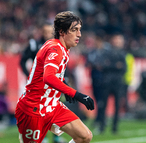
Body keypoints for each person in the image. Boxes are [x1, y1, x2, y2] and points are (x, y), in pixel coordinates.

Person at [15, 11, 94, 143]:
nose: (79, 34)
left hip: (52, 105)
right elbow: (49, 77)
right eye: (74, 30)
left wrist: (65, 86)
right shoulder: (55, 49)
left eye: (79, 30)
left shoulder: (61, 47)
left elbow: (53, 74)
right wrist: (76, 94)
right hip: (34, 108)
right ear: (62, 32)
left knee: (84, 136)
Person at [94, 32, 126, 134]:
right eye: (116, 40)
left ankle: (115, 127)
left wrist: (110, 66)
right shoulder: (106, 52)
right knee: (103, 105)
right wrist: (116, 66)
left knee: (117, 106)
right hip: (107, 82)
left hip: (117, 82)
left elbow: (124, 68)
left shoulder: (122, 53)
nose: (117, 42)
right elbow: (102, 65)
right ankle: (102, 126)